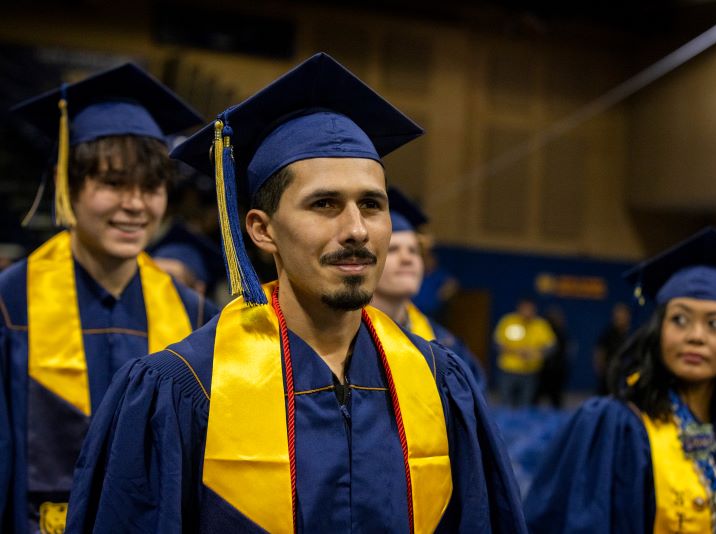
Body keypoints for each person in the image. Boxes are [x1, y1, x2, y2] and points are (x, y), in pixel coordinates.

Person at [66, 53, 525, 533]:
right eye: (324, 204)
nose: (356, 230)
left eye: (372, 205)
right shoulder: (185, 388)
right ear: (262, 231)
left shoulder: (439, 381)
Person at [1, 63, 218, 533]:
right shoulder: (9, 304)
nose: (136, 205)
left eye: (152, 187)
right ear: (69, 183)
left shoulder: (196, 314)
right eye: (114, 184)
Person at [524, 227, 716, 533]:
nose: (696, 336)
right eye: (679, 319)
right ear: (657, 332)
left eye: (715, 324)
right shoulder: (620, 428)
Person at [370, 186, 486, 390]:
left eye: (414, 251)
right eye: (393, 249)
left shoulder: (446, 345)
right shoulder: (345, 343)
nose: (407, 258)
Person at [494, 297, 556, 408]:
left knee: (525, 404)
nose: (527, 312)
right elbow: (498, 343)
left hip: (530, 372)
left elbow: (551, 346)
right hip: (508, 370)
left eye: (530, 309)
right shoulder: (508, 321)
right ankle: (504, 424)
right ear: (519, 308)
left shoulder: (540, 325)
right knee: (505, 403)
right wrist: (516, 351)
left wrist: (536, 353)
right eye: (525, 309)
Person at [533, 306, 569, 408]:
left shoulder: (562, 334)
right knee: (536, 397)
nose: (557, 320)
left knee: (556, 398)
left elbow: (563, 353)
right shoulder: (543, 332)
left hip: (557, 371)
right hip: (543, 370)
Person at [593, 302, 631, 394]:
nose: (621, 318)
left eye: (624, 315)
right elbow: (599, 352)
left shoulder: (627, 335)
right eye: (618, 315)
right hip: (608, 376)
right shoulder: (608, 334)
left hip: (621, 376)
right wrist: (601, 369)